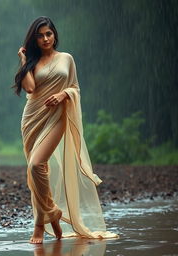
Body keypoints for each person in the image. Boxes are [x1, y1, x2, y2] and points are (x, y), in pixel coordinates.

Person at [13, 16, 118, 244]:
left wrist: (63, 94)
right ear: (34, 39)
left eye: (48, 34)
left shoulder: (66, 59)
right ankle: (52, 215)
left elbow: (75, 88)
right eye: (40, 35)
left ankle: (41, 224)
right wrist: (23, 59)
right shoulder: (31, 61)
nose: (45, 39)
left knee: (35, 165)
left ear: (54, 35)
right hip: (32, 118)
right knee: (38, 173)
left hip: (58, 117)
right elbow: (30, 87)